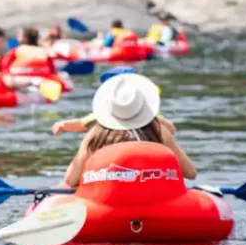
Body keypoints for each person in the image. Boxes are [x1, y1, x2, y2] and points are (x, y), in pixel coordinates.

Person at [63, 74, 196, 187]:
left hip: (106, 207)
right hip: (156, 203)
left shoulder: (96, 134)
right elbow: (190, 173)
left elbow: (71, 179)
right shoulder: (159, 132)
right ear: (144, 105)